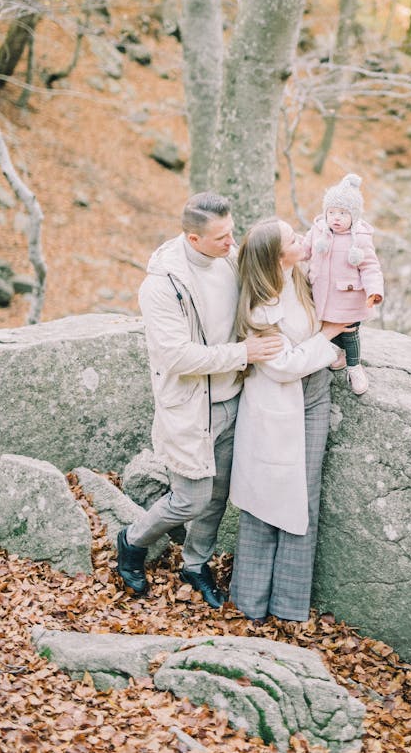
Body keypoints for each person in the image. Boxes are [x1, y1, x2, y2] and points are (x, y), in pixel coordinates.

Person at [116, 192, 284, 606]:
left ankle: (195, 565)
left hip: (234, 398)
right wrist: (244, 353)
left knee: (218, 496)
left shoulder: (228, 259)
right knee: (190, 498)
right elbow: (177, 356)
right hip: (190, 406)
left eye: (233, 232)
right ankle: (132, 542)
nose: (233, 244)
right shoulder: (161, 287)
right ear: (193, 239)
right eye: (222, 238)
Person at [228, 217, 347, 623]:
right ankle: (249, 602)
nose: (302, 239)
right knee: (265, 499)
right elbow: (283, 367)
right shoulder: (261, 308)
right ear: (277, 258)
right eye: (294, 239)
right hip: (277, 406)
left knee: (304, 498)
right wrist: (328, 338)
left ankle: (289, 607)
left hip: (314, 396)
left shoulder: (299, 276)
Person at [303, 172, 384, 395]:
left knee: (349, 331)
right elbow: (304, 250)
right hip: (321, 291)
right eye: (332, 212)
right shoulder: (318, 231)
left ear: (354, 216)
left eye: (342, 213)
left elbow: (370, 267)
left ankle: (354, 365)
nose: (336, 218)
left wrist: (374, 290)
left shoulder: (360, 239)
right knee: (327, 325)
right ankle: (336, 353)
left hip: (348, 294)